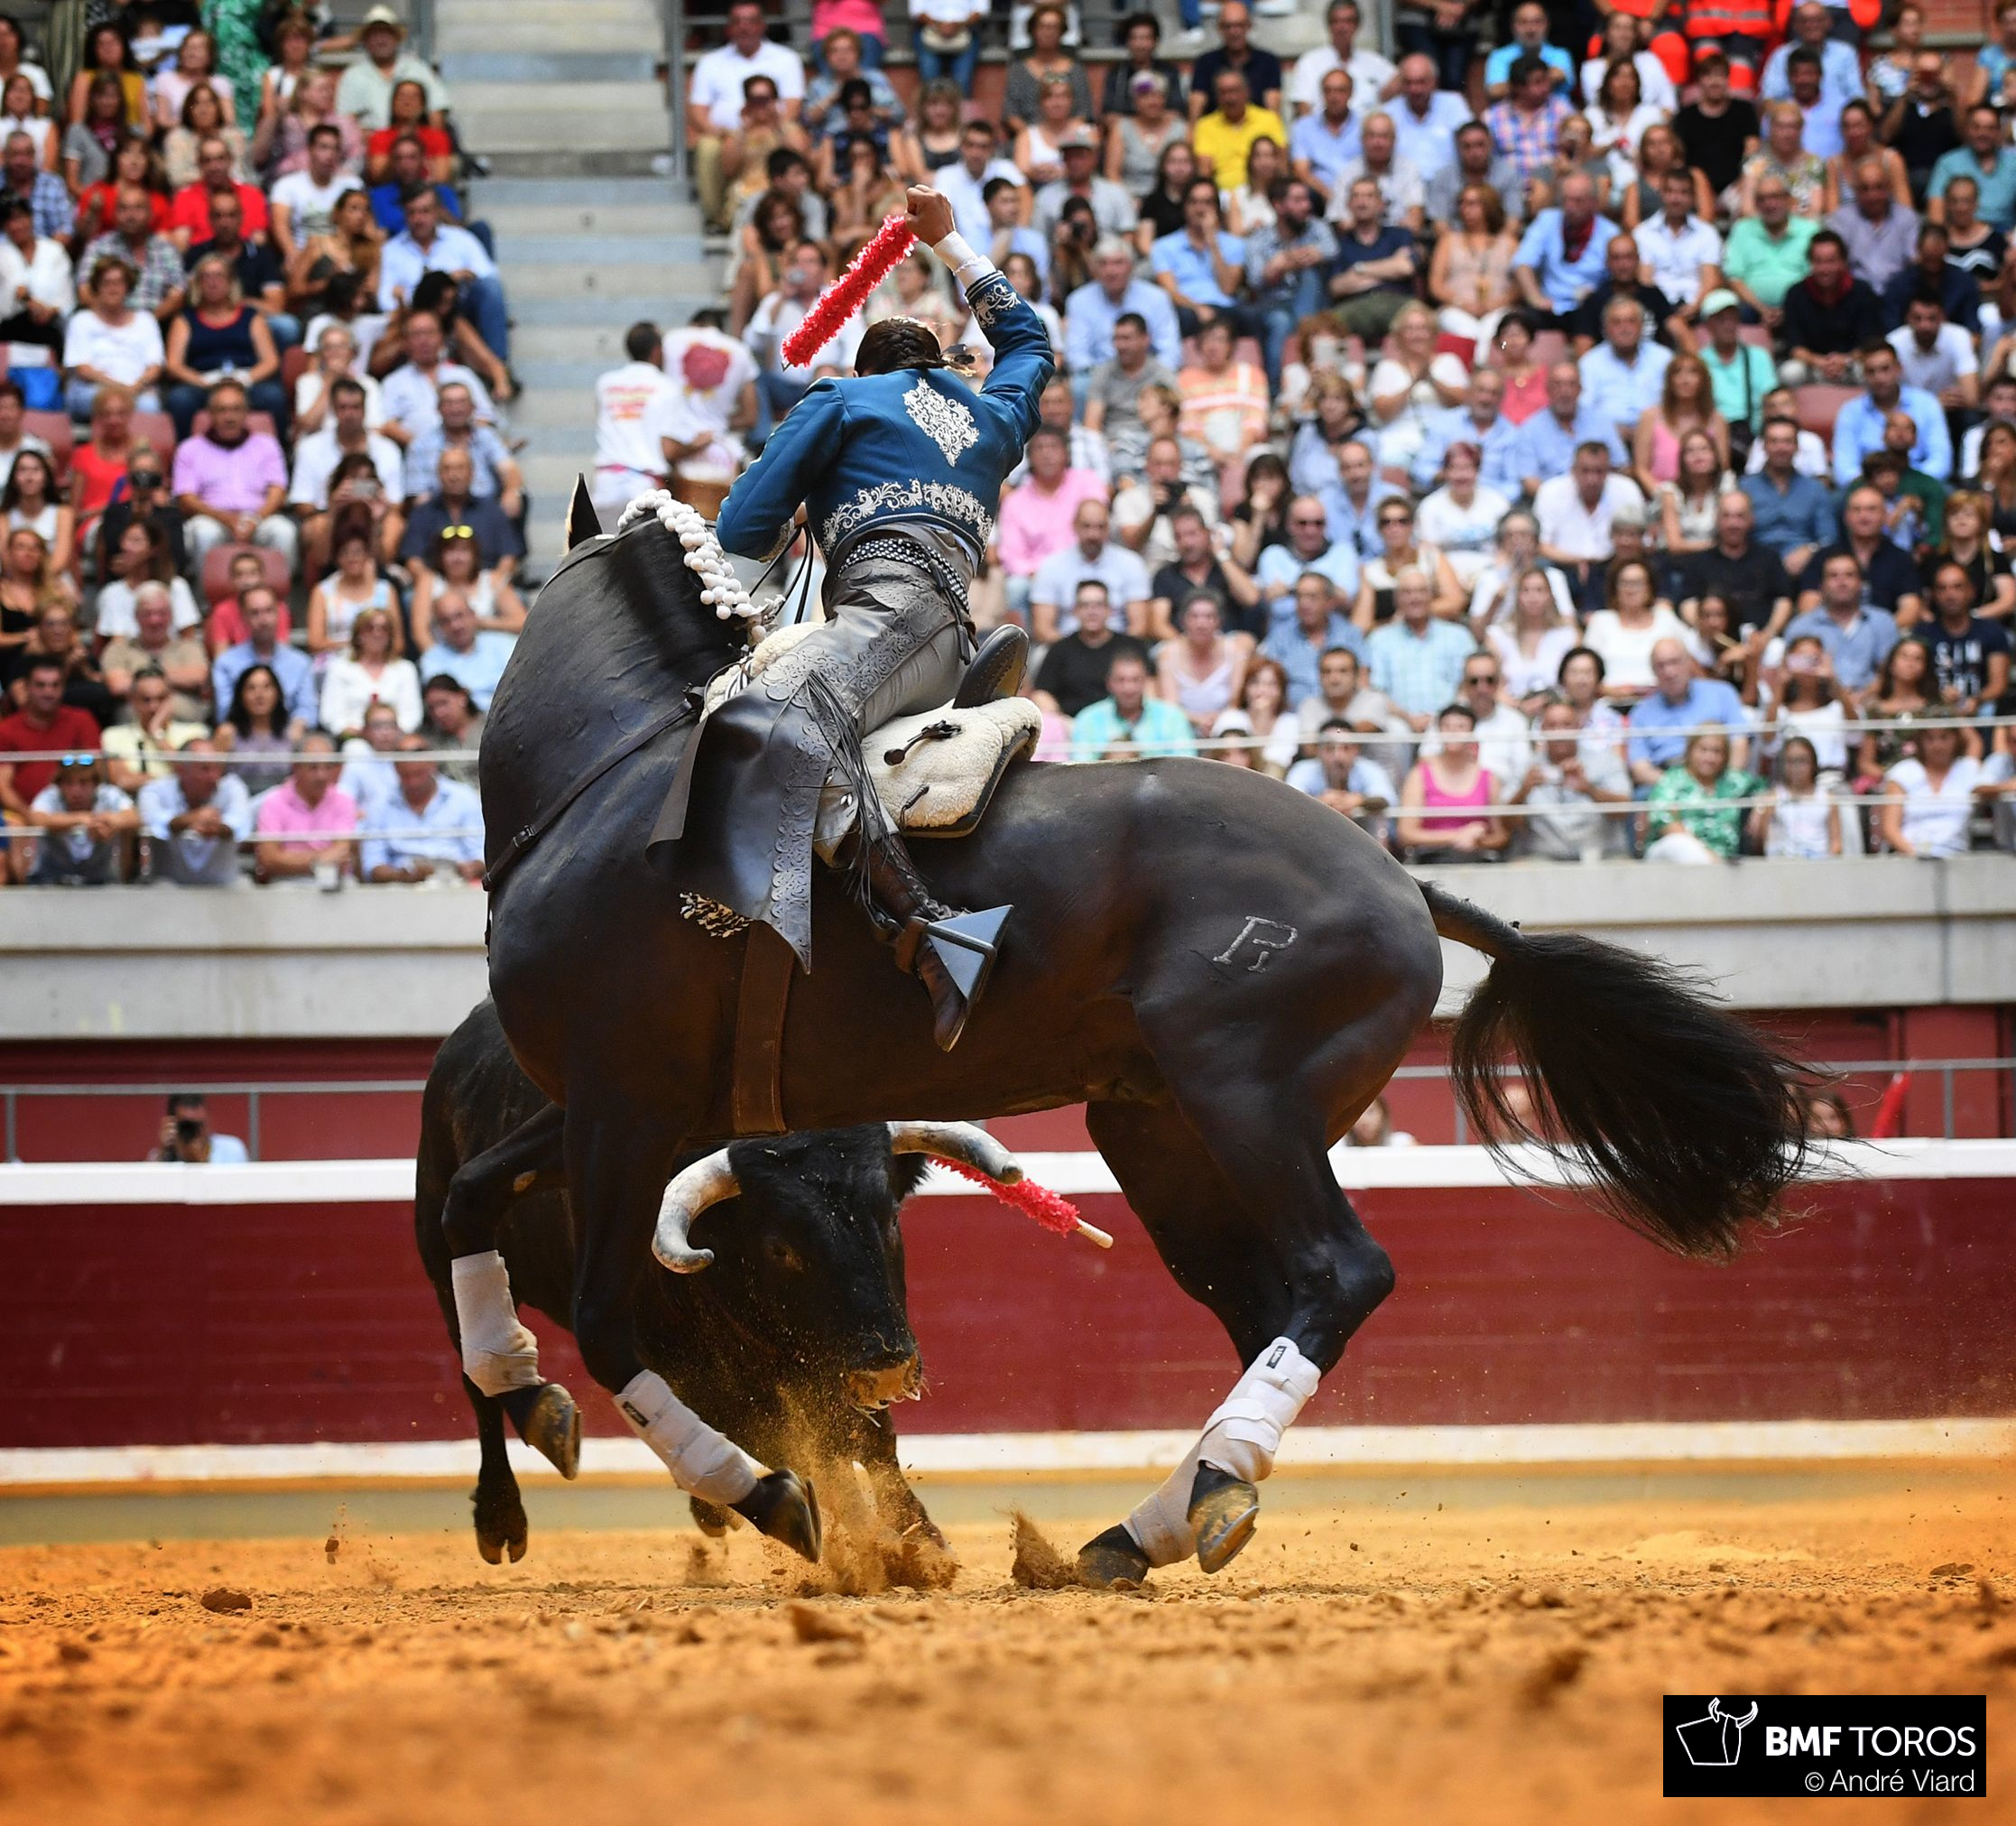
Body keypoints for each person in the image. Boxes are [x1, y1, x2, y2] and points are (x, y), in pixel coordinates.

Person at [692, 185, 1049, 1046]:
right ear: (934, 361)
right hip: (943, 624)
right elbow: (1029, 341)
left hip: (886, 613)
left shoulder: (843, 401)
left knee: (774, 720)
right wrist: (953, 242)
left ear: (871, 368)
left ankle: (936, 932)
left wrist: (722, 597)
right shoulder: (994, 417)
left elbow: (745, 524)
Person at [171, 379, 295, 570]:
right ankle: (205, 599)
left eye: (236, 409)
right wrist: (224, 518)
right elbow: (186, 498)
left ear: (246, 413)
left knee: (284, 531)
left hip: (259, 517)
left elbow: (277, 490)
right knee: (205, 533)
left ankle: (276, 599)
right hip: (211, 518)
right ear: (210, 414)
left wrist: (255, 519)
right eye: (222, 410)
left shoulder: (267, 445)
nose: (229, 417)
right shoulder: (190, 449)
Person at [1512, 700, 1632, 859]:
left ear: (1579, 725)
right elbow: (1506, 825)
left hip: (1603, 854)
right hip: (1542, 857)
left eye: (1566, 724)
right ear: (1541, 729)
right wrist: (1524, 791)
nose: (1559, 732)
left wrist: (1589, 789)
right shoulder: (1528, 768)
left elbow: (1624, 811)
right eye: (1552, 725)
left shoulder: (1606, 760)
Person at [1625, 638, 1752, 788]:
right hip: (1666, 782)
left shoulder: (1722, 693)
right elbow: (1640, 769)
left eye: (1674, 662)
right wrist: (1681, 788)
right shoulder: (1641, 713)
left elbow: (1739, 744)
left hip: (1719, 778)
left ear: (1689, 663)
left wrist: (1724, 787)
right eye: (1661, 666)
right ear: (1653, 671)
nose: (1669, 672)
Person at [361, 737, 486, 884]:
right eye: (406, 776)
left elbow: (480, 855)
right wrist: (402, 876)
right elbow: (372, 866)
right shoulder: (380, 805)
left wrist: (464, 870)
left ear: (432, 765)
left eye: (419, 774)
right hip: (398, 889)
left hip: (454, 884)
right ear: (395, 769)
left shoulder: (463, 798)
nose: (413, 783)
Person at [1395, 704, 1508, 863]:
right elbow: (1405, 833)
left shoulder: (1489, 778)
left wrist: (1478, 841)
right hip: (1430, 859)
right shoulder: (1419, 774)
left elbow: (1500, 836)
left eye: (1461, 727)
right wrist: (1459, 835)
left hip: (1477, 860)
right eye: (1447, 726)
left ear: (1472, 732)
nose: (1453, 732)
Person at [136, 736, 251, 885]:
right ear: (181, 770)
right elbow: (154, 823)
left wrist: (216, 827)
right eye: (205, 769)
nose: (213, 776)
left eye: (217, 768)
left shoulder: (233, 787)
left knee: (245, 888)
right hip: (170, 887)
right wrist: (192, 818)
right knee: (158, 888)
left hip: (224, 887)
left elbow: (239, 825)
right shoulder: (154, 790)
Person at [252, 733, 360, 885]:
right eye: (313, 767)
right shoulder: (274, 801)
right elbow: (268, 859)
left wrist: (290, 859)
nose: (321, 775)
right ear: (296, 767)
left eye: (327, 767)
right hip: (286, 883)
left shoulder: (344, 800)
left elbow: (341, 855)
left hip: (333, 881)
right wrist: (319, 860)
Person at [1780, 231, 1884, 387]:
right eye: (1818, 262)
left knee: (1871, 370)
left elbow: (1869, 343)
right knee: (1790, 372)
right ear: (1810, 263)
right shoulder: (1796, 294)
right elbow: (1794, 347)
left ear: (1843, 262)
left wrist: (1845, 360)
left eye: (1830, 261)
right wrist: (1820, 362)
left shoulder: (1862, 292)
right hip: (1812, 365)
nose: (1824, 269)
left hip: (1851, 365)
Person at [1642, 729, 1760, 862]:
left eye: (1716, 751)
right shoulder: (1672, 780)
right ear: (1690, 751)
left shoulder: (1733, 781)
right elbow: (1664, 822)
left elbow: (1764, 789)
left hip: (1723, 859)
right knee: (1679, 844)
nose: (1709, 757)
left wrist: (1760, 808)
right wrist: (1707, 856)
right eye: (1703, 750)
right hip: (1674, 854)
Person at [212, 585, 316, 733]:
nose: (263, 620)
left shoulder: (300, 662)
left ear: (279, 613)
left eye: (269, 611)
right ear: (243, 617)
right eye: (255, 613)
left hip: (289, 738)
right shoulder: (226, 663)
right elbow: (225, 712)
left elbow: (308, 710)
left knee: (317, 746)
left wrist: (297, 725)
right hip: (242, 739)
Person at [1877, 721, 1989, 857]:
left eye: (1944, 737)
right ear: (1920, 742)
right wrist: (1917, 857)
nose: (1937, 746)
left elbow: (1975, 742)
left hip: (1958, 860)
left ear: (1956, 739)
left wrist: (1954, 714)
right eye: (1930, 739)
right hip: (1908, 858)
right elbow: (1890, 828)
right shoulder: (1903, 771)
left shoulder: (1968, 768)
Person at [1511, 171, 1609, 325]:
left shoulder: (1609, 233)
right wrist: (1536, 299)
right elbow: (1522, 264)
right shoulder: (1547, 220)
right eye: (1566, 200)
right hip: (1549, 307)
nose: (1570, 207)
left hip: (1591, 308)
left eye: (1577, 201)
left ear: (1593, 202)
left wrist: (1598, 297)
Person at [1919, 560, 2011, 714]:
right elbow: (1911, 681)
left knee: (1990, 710)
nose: (1950, 595)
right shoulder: (1922, 634)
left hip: (1981, 708)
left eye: (1958, 587)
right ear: (1934, 595)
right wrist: (1937, 695)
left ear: (1971, 591)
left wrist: (1977, 700)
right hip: (1934, 709)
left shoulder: (1992, 631)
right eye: (1942, 588)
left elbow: (1999, 684)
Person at [1068, 647, 1197, 758]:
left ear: (1146, 681)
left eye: (1135, 680)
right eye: (1121, 680)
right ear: (1109, 682)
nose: (1128, 688)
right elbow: (1080, 770)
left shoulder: (1172, 717)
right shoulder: (1088, 719)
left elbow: (1184, 766)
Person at [152, 1093, 249, 1164]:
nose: (194, 1131)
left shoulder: (231, 1149)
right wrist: (163, 1154)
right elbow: (150, 1188)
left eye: (198, 1125)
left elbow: (237, 1188)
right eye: (186, 1125)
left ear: (208, 1119)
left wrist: (200, 1161)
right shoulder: (163, 1155)